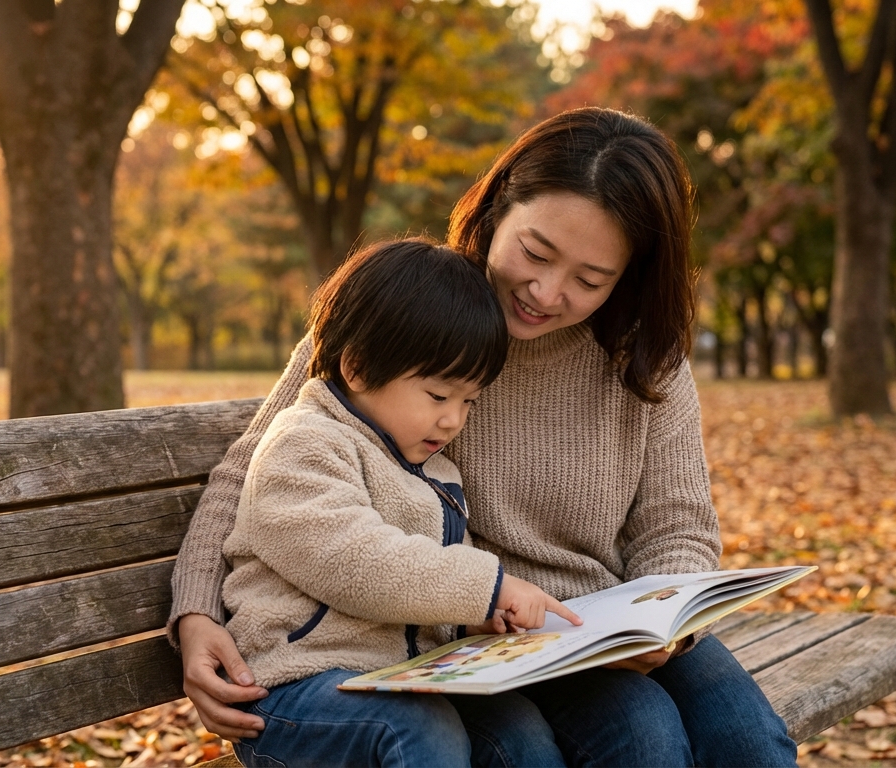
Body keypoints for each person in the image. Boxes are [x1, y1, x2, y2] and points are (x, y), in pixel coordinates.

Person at [170, 107, 798, 767]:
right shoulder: (410, 319)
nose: (546, 291)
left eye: (590, 280)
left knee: (751, 743)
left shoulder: (644, 358)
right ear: (499, 208)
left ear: (629, 277)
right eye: (536, 251)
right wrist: (197, 615)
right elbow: (255, 472)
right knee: (643, 739)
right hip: (481, 632)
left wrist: (662, 625)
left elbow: (677, 526)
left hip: (607, 623)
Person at [217, 238, 580, 766]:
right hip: (294, 692)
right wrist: (487, 588)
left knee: (517, 728)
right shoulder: (304, 444)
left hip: (401, 681)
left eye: (469, 400)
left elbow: (424, 595)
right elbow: (354, 561)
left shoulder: (436, 472)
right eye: (438, 396)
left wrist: (471, 622)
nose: (453, 419)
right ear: (360, 368)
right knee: (417, 730)